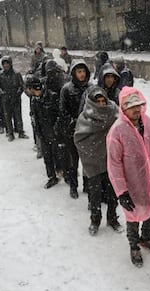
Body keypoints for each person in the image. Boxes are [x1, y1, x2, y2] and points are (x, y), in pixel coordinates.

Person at [107, 86, 150, 267]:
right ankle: (134, 245)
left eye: (138, 105)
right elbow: (114, 164)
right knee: (133, 216)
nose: (136, 109)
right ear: (123, 108)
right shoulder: (117, 131)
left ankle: (146, 237)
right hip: (133, 184)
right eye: (131, 106)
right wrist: (122, 192)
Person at [74, 86, 123, 235]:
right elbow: (79, 139)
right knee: (95, 194)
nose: (101, 104)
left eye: (103, 101)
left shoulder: (114, 113)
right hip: (94, 163)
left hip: (111, 162)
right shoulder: (85, 118)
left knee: (113, 193)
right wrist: (94, 151)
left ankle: (112, 218)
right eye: (98, 101)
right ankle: (95, 220)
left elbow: (121, 135)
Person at [58, 59, 92, 199]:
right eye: (79, 71)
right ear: (73, 73)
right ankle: (73, 186)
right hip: (72, 131)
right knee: (73, 161)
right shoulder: (66, 89)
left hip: (88, 131)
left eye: (83, 71)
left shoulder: (90, 88)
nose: (82, 74)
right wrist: (72, 122)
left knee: (87, 161)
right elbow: (62, 110)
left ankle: (86, 184)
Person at [0, 56, 29, 141]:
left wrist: (18, 93)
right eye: (4, 64)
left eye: (7, 63)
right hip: (6, 98)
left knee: (18, 116)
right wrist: (1, 93)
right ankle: (10, 133)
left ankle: (20, 131)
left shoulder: (16, 74)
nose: (6, 65)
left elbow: (22, 85)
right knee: (7, 116)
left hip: (15, 98)